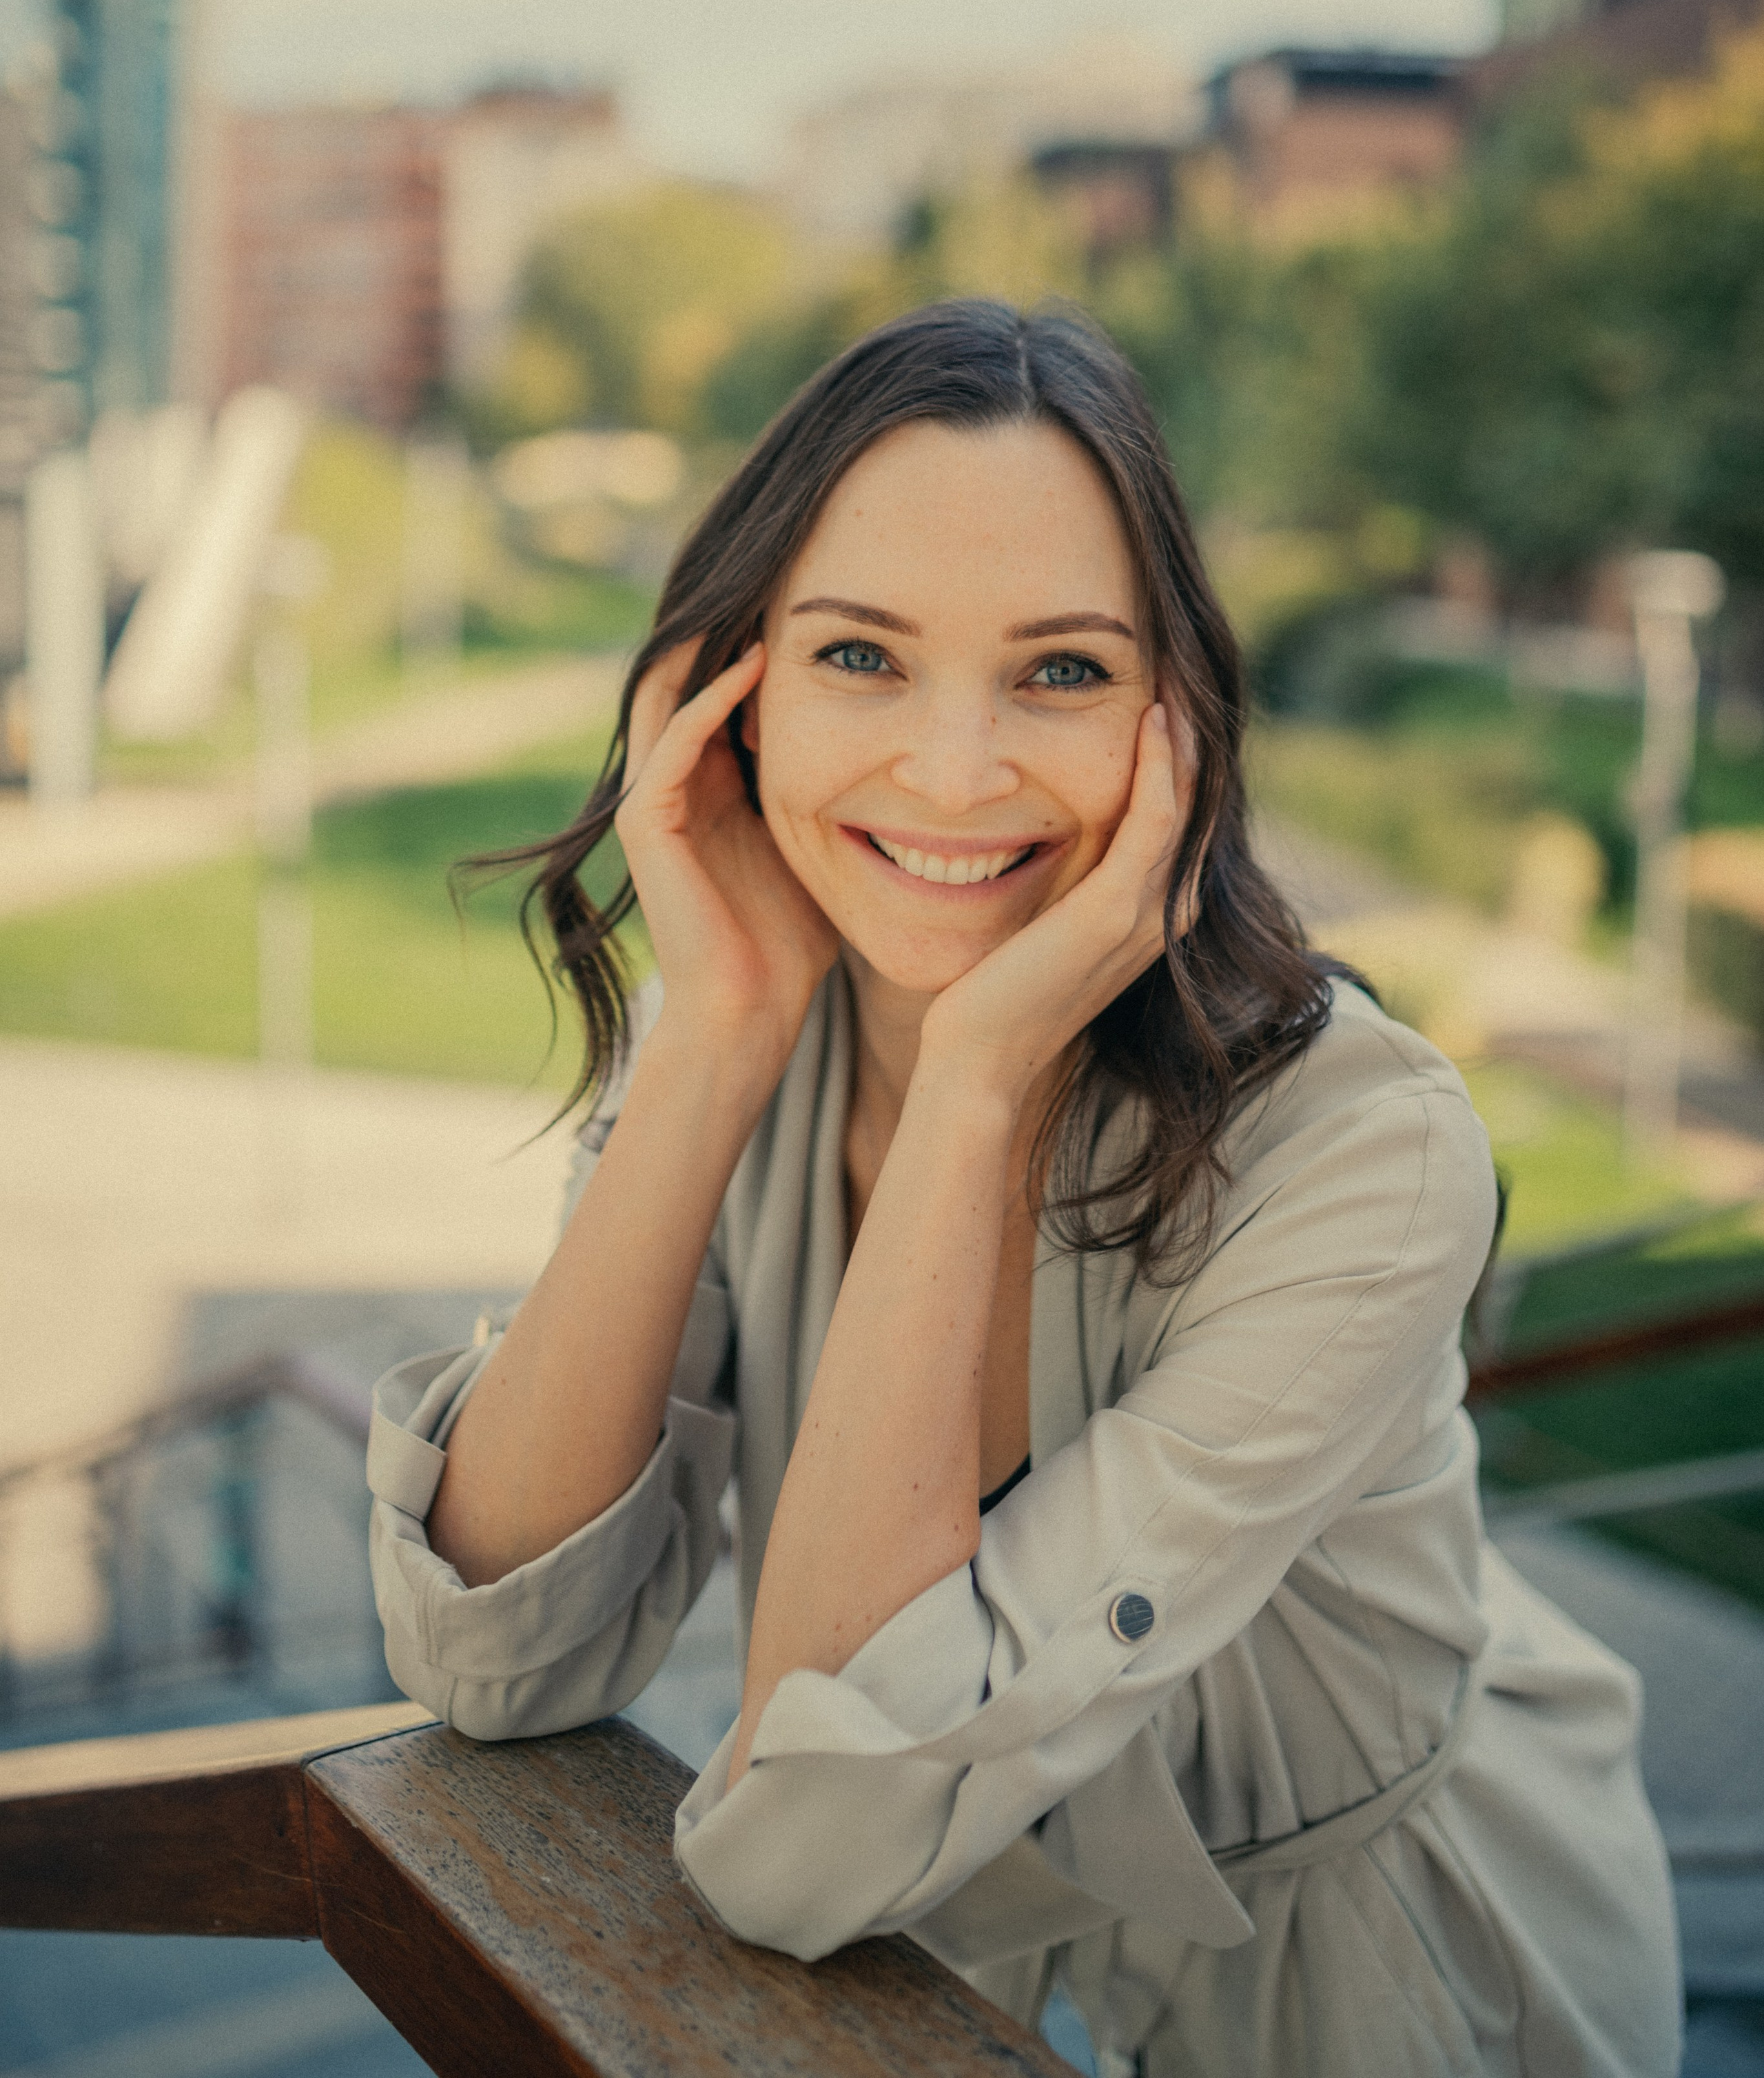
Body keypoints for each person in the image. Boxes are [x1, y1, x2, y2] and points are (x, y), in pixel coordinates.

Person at [367, 300, 1681, 2077]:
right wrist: (711, 1042)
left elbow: (808, 1838)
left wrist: (980, 1081)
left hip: (1383, 1980)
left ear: (1177, 727)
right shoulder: (763, 1032)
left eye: (1062, 670)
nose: (959, 769)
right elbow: (497, 1651)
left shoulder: (1367, 1153)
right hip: (969, 1982)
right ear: (723, 695)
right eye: (860, 658)